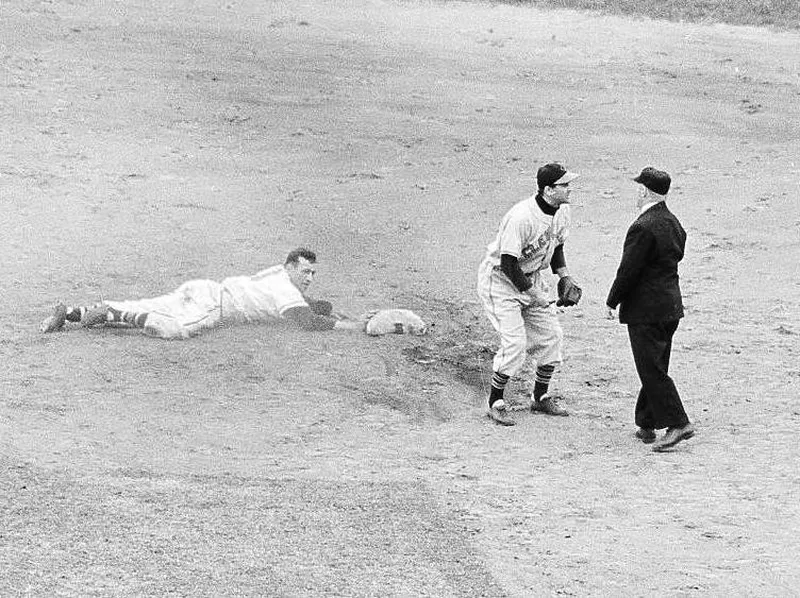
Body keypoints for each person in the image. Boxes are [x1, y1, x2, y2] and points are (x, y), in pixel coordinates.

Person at [40, 247, 368, 339]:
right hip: (214, 305)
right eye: (305, 272)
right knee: (175, 329)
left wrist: (330, 309)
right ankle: (115, 315)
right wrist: (352, 325)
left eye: (313, 273)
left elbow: (307, 306)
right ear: (291, 268)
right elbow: (306, 321)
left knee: (148, 304)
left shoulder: (277, 274)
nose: (310, 277)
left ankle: (70, 313)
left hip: (202, 288)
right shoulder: (288, 292)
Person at [477, 163, 584, 426]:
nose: (570, 189)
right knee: (515, 343)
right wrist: (534, 294)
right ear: (548, 190)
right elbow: (508, 263)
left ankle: (540, 396)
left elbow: (556, 245)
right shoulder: (521, 217)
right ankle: (496, 401)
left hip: (531, 276)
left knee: (552, 336)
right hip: (501, 282)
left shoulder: (563, 211)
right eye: (564, 185)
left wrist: (564, 275)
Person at [606, 167, 695, 452]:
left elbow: (628, 270)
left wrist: (612, 300)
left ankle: (678, 423)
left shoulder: (642, 226)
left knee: (651, 369)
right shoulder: (674, 223)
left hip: (646, 309)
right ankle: (646, 422)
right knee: (656, 364)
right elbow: (677, 254)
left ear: (644, 190)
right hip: (671, 306)